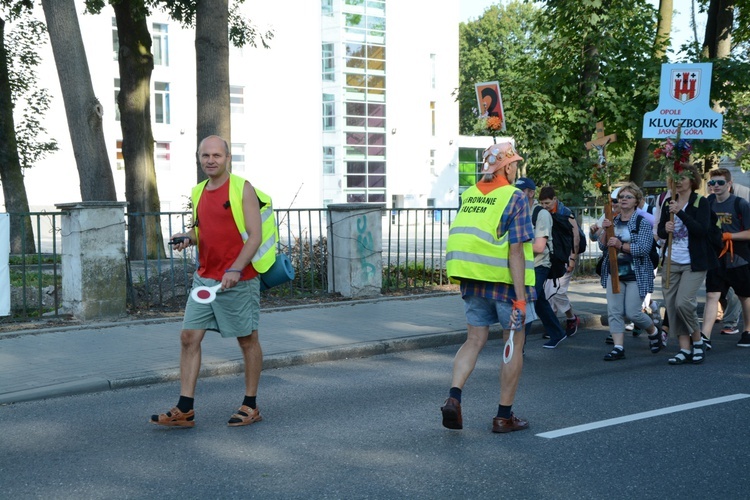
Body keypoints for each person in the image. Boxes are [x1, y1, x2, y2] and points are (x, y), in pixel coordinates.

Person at [151, 135, 265, 428]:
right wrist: (188, 238)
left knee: (247, 340)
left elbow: (255, 236)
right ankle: (185, 408)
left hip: (239, 280)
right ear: (199, 159)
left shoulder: (242, 189)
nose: (211, 160)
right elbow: (204, 231)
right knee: (189, 338)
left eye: (217, 155)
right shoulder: (199, 191)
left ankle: (250, 405)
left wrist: (236, 269)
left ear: (228, 159)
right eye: (205, 156)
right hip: (205, 279)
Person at [442, 141, 537, 433]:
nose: (516, 168)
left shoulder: (469, 194)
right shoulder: (515, 196)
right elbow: (516, 250)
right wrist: (521, 299)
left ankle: (454, 397)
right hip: (504, 284)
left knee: (474, 341)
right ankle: (503, 417)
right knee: (513, 345)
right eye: (515, 164)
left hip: (472, 279)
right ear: (507, 167)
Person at [656, 164, 717, 364]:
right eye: (675, 178)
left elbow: (701, 230)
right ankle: (684, 348)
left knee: (684, 303)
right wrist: (666, 227)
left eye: (682, 178)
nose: (678, 182)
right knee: (672, 307)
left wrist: (680, 213)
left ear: (692, 180)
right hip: (671, 261)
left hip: (694, 261)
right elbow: (662, 232)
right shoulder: (668, 202)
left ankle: (697, 341)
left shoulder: (701, 202)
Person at [598, 182, 662, 360]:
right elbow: (603, 246)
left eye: (628, 197)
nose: (623, 200)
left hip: (636, 273)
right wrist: (605, 229)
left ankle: (654, 331)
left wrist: (621, 245)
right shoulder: (613, 220)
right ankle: (618, 347)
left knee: (632, 313)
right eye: (621, 197)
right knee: (614, 311)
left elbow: (643, 248)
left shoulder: (642, 221)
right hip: (615, 273)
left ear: (636, 201)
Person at [700, 168, 750, 349]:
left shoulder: (740, 204)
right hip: (716, 259)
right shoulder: (708, 202)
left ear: (729, 184)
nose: (716, 186)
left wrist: (730, 236)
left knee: (744, 296)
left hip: (738, 258)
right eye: (712, 183)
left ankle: (747, 331)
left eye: (720, 182)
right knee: (712, 295)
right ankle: (705, 336)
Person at [516, 177, 568, 348]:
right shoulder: (517, 211)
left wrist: (514, 248)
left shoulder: (541, 214)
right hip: (524, 264)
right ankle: (558, 333)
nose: (516, 194)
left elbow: (539, 247)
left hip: (539, 264)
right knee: (539, 301)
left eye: (520, 190)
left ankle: (519, 346)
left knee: (529, 300)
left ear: (531, 193)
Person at [538, 186, 580, 336]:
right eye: (542, 203)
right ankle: (553, 326)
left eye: (547, 203)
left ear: (555, 199)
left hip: (566, 256)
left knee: (557, 293)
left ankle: (571, 318)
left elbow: (575, 236)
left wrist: (572, 259)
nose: (544, 207)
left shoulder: (565, 213)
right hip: (551, 257)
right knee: (549, 292)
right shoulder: (542, 213)